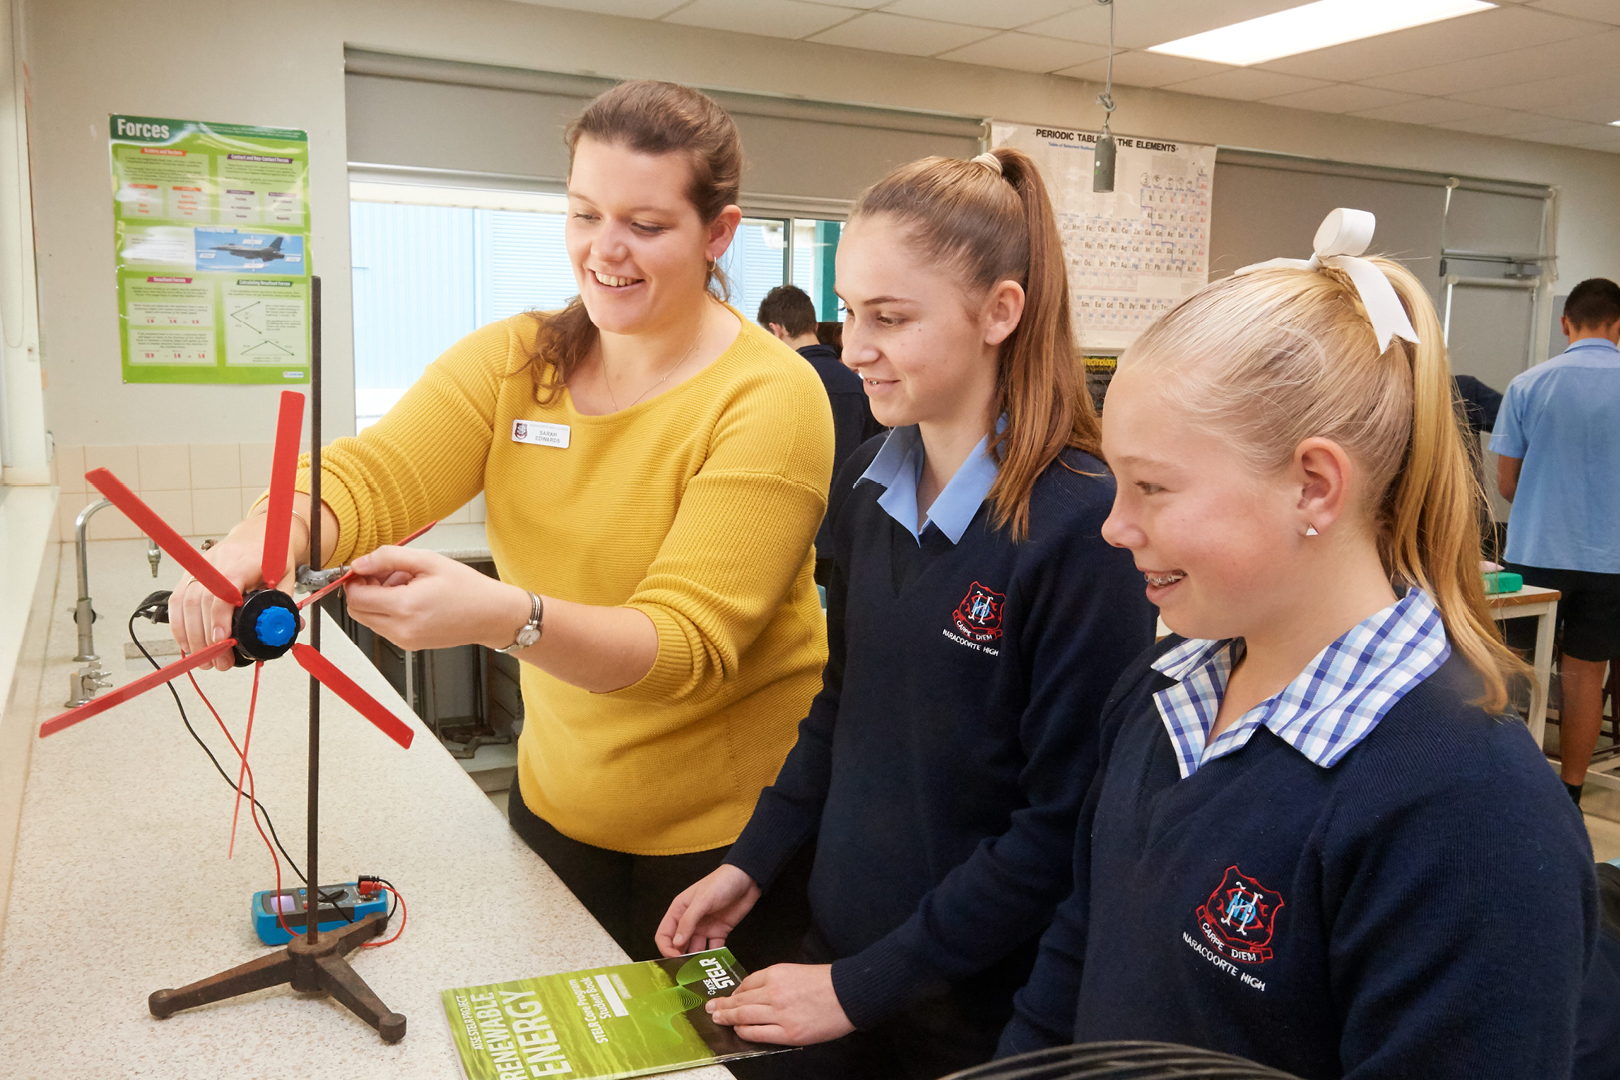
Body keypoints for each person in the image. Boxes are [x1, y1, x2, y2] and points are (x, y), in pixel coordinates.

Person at [168, 80, 831, 964]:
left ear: (719, 234)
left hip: (730, 842)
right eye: (584, 214)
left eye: (646, 224)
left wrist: (500, 616)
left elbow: (685, 648)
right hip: (559, 804)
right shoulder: (519, 360)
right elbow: (374, 476)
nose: (605, 250)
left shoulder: (770, 396)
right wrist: (262, 541)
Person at [999, 212, 1598, 1078]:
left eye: (1153, 487)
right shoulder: (1164, 688)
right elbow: (1080, 952)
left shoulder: (1468, 810)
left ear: (1313, 486)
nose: (1116, 526)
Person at [656, 148, 1155, 1079]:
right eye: (851, 313)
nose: (853, 349)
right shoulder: (870, 486)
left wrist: (860, 986)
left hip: (970, 1005)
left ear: (999, 313)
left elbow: (1059, 829)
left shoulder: (1082, 525)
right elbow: (842, 707)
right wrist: (751, 862)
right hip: (841, 950)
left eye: (890, 319)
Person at [1492, 277, 1620, 804]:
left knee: (1510, 669)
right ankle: (1568, 790)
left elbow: (1505, 483)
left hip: (1535, 553)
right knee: (1586, 677)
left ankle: (1502, 779)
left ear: (1566, 323)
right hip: (1612, 561)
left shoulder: (1528, 384)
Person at [758, 284, 883, 584]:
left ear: (776, 330)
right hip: (850, 530)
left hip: (794, 534)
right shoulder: (860, 386)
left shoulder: (777, 385)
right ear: (813, 325)